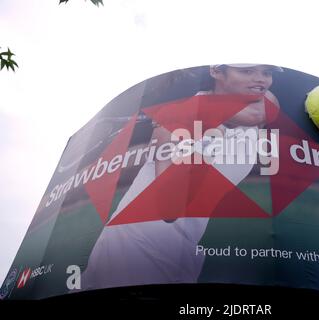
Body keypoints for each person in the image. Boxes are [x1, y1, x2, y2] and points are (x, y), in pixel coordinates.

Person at [79, 64, 282, 290]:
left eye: (267, 73)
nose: (260, 80)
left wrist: (208, 120)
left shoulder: (253, 107)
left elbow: (263, 109)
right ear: (216, 72)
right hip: (132, 248)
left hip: (176, 256)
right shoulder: (174, 125)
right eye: (247, 71)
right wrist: (204, 133)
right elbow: (170, 207)